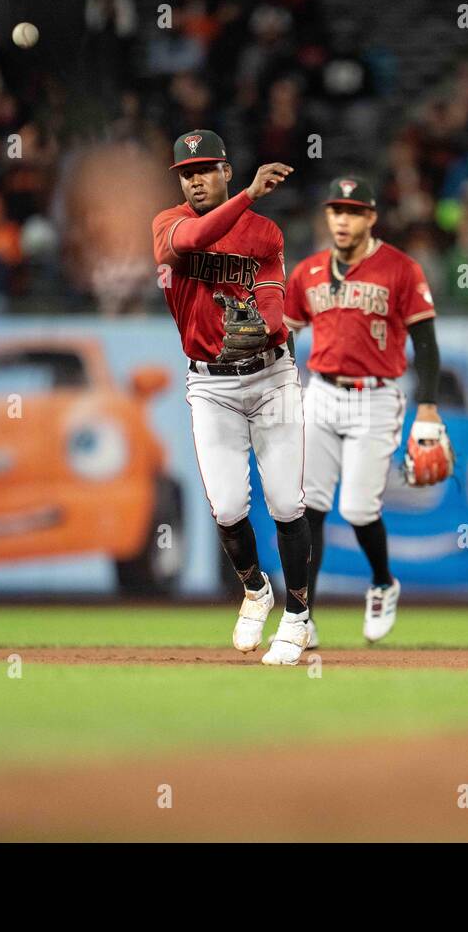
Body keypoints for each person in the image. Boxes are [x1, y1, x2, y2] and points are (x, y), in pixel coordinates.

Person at [150, 130, 313, 666]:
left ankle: (296, 616)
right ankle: (255, 590)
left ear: (225, 168)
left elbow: (270, 294)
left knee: (287, 502)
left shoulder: (264, 231)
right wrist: (247, 194)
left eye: (204, 169)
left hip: (270, 379)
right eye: (186, 173)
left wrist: (266, 328)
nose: (195, 179)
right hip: (211, 384)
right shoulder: (166, 224)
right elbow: (192, 243)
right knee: (226, 507)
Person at [284, 176, 444, 642]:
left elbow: (427, 343)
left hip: (376, 397)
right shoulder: (309, 272)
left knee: (356, 509)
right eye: (336, 211)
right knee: (307, 507)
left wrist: (429, 405)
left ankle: (381, 582)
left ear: (371, 217)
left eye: (353, 211)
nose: (343, 220)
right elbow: (284, 334)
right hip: (322, 393)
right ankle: (301, 617)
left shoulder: (400, 269)